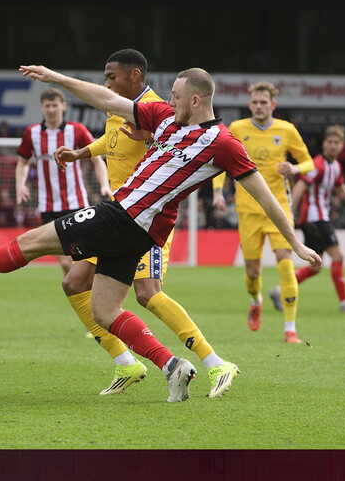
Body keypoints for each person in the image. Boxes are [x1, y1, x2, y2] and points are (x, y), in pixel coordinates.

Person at [0, 66, 322, 402]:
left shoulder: (223, 143)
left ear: (195, 99)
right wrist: (58, 78)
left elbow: (264, 194)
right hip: (136, 231)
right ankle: (172, 367)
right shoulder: (164, 119)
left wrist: (296, 241)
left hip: (123, 217)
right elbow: (108, 99)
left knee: (30, 244)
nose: (166, 101)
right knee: (104, 310)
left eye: (174, 96)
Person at [52, 49, 239, 398]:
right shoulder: (119, 105)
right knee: (75, 282)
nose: (107, 83)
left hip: (145, 218)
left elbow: (179, 150)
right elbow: (114, 141)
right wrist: (84, 153)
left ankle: (216, 362)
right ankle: (126, 362)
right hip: (115, 214)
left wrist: (150, 137)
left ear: (133, 76)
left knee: (147, 294)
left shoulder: (161, 109)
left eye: (111, 77)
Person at [211, 81, 315, 343]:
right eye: (255, 103)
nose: (259, 106)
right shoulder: (237, 129)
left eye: (263, 103)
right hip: (247, 210)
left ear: (273, 105)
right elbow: (220, 163)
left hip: (280, 209)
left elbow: (308, 162)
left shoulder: (287, 130)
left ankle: (290, 328)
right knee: (253, 272)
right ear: (250, 105)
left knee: (285, 263)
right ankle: (256, 300)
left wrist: (294, 169)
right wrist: (217, 193)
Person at [268, 124, 345, 313]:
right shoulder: (317, 164)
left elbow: (341, 190)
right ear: (324, 144)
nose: (333, 145)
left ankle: (279, 291)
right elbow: (301, 186)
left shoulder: (336, 166)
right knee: (338, 256)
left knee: (316, 266)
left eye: (337, 142)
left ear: (343, 145)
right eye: (330, 142)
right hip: (314, 219)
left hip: (319, 219)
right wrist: (289, 215)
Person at [15, 88, 111, 275]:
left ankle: (93, 299)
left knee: (83, 261)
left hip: (76, 203)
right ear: (42, 107)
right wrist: (20, 185)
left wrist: (104, 185)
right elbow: (23, 162)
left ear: (63, 106)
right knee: (67, 264)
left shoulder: (76, 130)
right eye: (47, 105)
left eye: (55, 105)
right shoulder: (32, 133)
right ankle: (84, 300)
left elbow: (97, 160)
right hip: (48, 206)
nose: (51, 109)